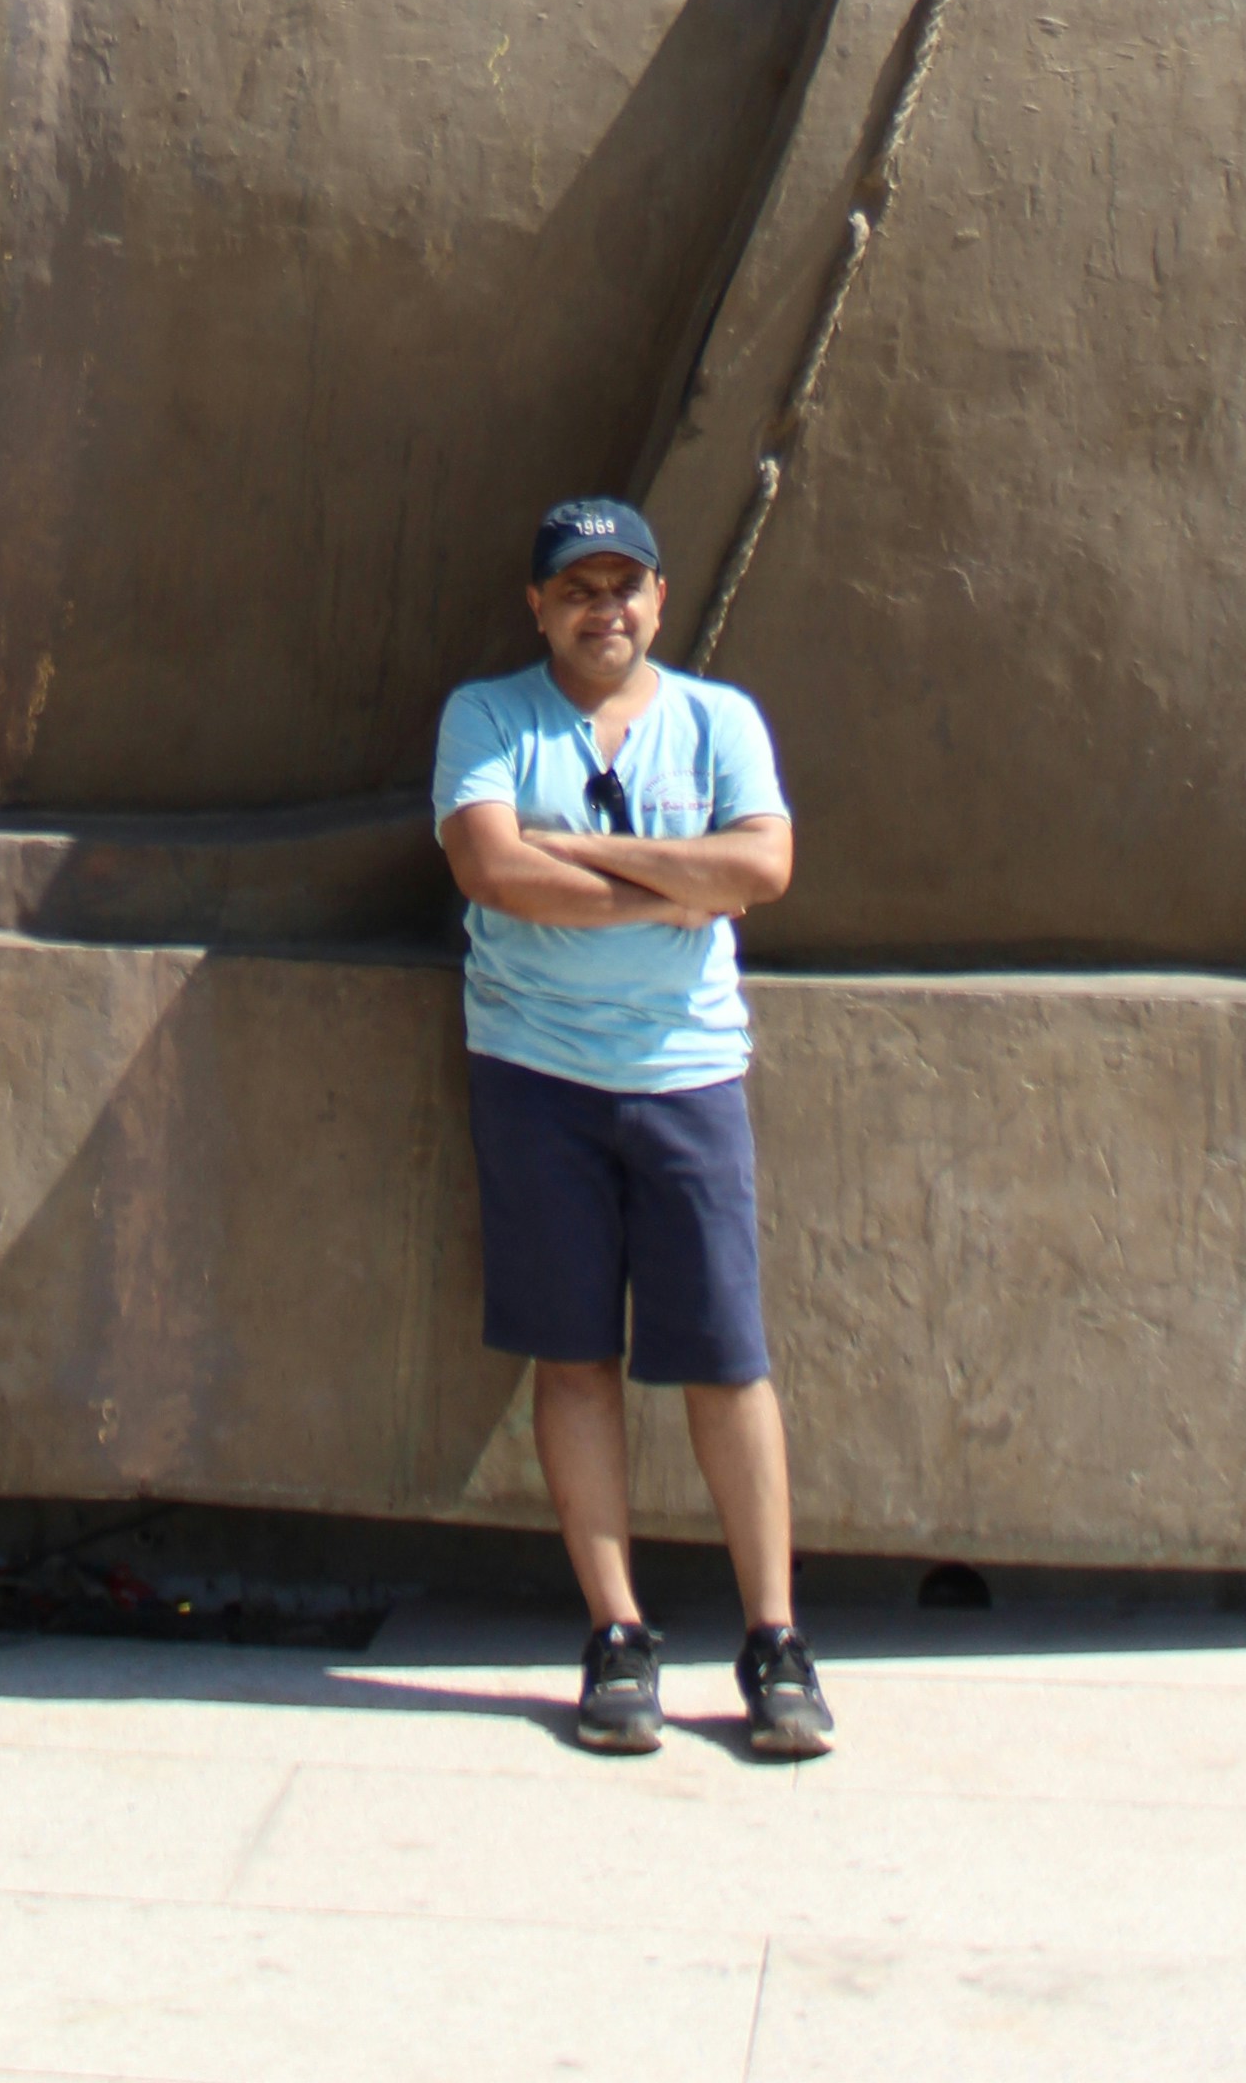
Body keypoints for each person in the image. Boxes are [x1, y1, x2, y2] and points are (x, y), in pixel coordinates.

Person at [434, 499, 833, 1760]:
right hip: (535, 1074)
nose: (603, 608)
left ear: (661, 599)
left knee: (725, 1358)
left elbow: (763, 873)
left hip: (688, 1077)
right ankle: (618, 1635)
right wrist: (676, 876)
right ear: (538, 604)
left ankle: (773, 1638)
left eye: (626, 586)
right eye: (577, 588)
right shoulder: (487, 717)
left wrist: (589, 861)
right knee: (573, 1360)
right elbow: (494, 870)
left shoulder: (720, 721)